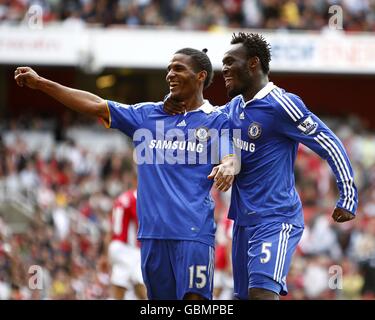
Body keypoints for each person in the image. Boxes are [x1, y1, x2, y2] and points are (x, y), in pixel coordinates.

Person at [14, 47, 237, 300]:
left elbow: (230, 154)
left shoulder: (216, 120)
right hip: (152, 237)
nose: (170, 75)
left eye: (178, 69)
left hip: (194, 234)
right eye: (168, 69)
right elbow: (95, 105)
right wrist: (41, 83)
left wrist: (229, 164)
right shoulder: (147, 116)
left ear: (200, 76)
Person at [164, 33, 358, 300]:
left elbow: (329, 143)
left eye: (231, 62)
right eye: (223, 63)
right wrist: (178, 103)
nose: (225, 69)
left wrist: (348, 195)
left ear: (253, 63)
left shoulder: (282, 104)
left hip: (275, 218)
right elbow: (205, 123)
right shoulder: (233, 108)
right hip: (243, 223)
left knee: (261, 294)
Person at [107, 185, 147, 300]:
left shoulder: (121, 198)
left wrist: (106, 254)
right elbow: (140, 221)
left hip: (115, 245)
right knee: (139, 280)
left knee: (120, 281)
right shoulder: (136, 197)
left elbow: (111, 228)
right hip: (129, 248)